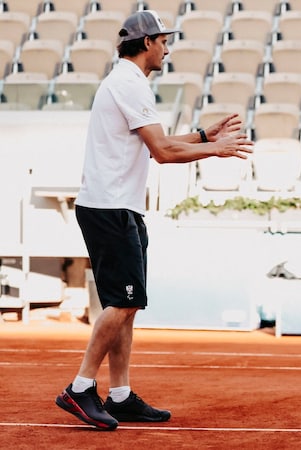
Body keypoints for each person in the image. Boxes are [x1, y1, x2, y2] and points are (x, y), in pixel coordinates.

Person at [55, 10, 254, 431]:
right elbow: (163, 153)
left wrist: (204, 136)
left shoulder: (129, 82)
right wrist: (217, 150)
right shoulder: (128, 82)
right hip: (110, 208)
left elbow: (155, 142)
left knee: (126, 305)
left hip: (118, 206)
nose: (167, 47)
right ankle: (80, 387)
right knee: (124, 302)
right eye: (163, 41)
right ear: (146, 43)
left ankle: (121, 395)